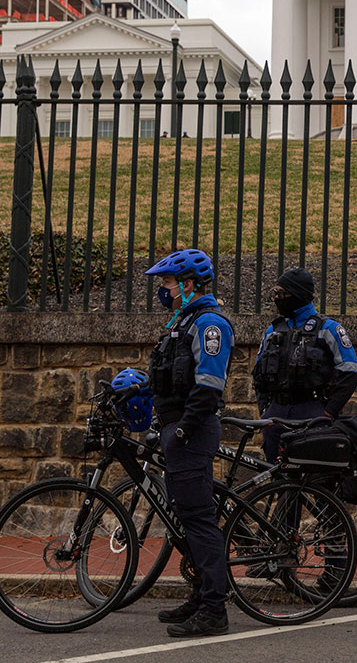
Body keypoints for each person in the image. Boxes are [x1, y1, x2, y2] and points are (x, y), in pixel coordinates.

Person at [144, 248, 234, 637]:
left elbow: (209, 386)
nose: (162, 290)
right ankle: (200, 593)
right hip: (176, 428)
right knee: (185, 517)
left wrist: (182, 431)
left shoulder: (210, 324)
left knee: (198, 521)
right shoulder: (181, 322)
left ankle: (215, 609)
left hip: (192, 432)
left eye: (166, 283)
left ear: (188, 284)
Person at [253, 267, 357, 461]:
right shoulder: (273, 330)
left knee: (317, 479)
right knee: (277, 478)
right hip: (276, 413)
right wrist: (266, 410)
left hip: (313, 412)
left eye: (280, 293)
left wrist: (329, 411)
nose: (276, 298)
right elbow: (258, 374)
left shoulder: (328, 329)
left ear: (296, 295)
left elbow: (350, 371)